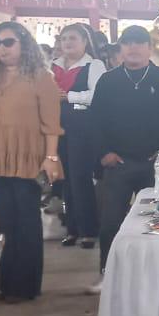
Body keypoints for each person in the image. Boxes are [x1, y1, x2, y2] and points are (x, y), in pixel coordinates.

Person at [89, 25, 159, 284]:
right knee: (111, 224)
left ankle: (155, 277)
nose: (133, 48)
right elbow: (95, 121)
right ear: (120, 48)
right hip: (117, 163)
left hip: (152, 164)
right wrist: (104, 153)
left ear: (150, 48)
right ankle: (107, 275)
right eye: (127, 43)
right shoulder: (108, 80)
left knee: (157, 222)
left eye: (139, 42)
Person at [0, 21, 61, 301]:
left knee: (26, 222)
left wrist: (50, 157)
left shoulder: (40, 77)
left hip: (27, 158)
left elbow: (51, 124)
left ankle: (25, 286)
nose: (2, 48)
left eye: (9, 42)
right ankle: (8, 281)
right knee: (8, 223)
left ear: (24, 44)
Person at [52, 23, 105, 248]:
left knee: (80, 178)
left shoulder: (93, 65)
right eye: (64, 39)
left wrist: (69, 96)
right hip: (56, 128)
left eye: (73, 38)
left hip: (82, 127)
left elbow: (99, 95)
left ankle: (88, 230)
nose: (68, 43)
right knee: (65, 179)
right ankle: (72, 228)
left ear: (85, 42)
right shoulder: (52, 66)